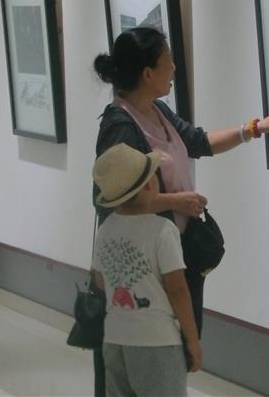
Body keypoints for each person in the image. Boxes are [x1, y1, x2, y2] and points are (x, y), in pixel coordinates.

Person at [92, 26, 269, 396]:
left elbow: (198, 141)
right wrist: (175, 202)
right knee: (159, 358)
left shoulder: (157, 109)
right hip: (147, 265)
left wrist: (255, 128)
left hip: (176, 251)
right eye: (169, 60)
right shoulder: (119, 125)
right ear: (148, 73)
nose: (175, 67)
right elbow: (111, 198)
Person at [92, 143, 200, 397]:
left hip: (115, 338)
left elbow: (100, 280)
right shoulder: (162, 230)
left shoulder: (106, 229)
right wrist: (192, 340)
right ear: (149, 185)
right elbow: (177, 290)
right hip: (157, 342)